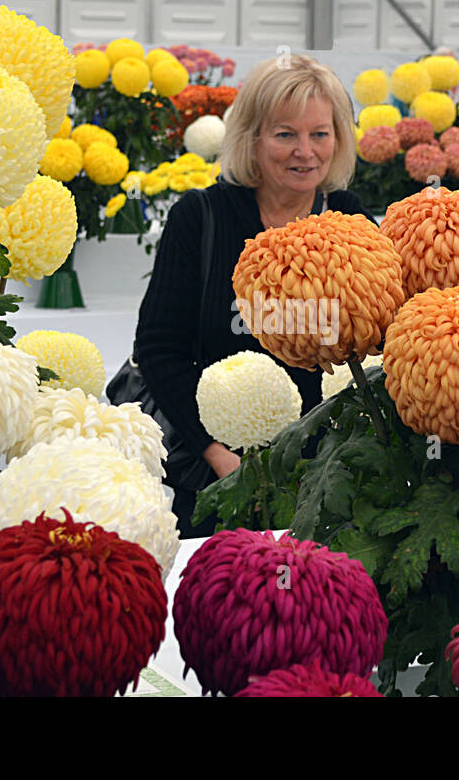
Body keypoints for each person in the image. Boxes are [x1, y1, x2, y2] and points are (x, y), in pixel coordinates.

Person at [132, 53, 370, 537]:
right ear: (252, 139)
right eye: (285, 135)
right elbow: (160, 351)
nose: (306, 151)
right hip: (218, 473)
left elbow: (372, 339)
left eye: (319, 134)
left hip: (325, 471)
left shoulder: (347, 216)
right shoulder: (199, 218)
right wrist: (220, 458)